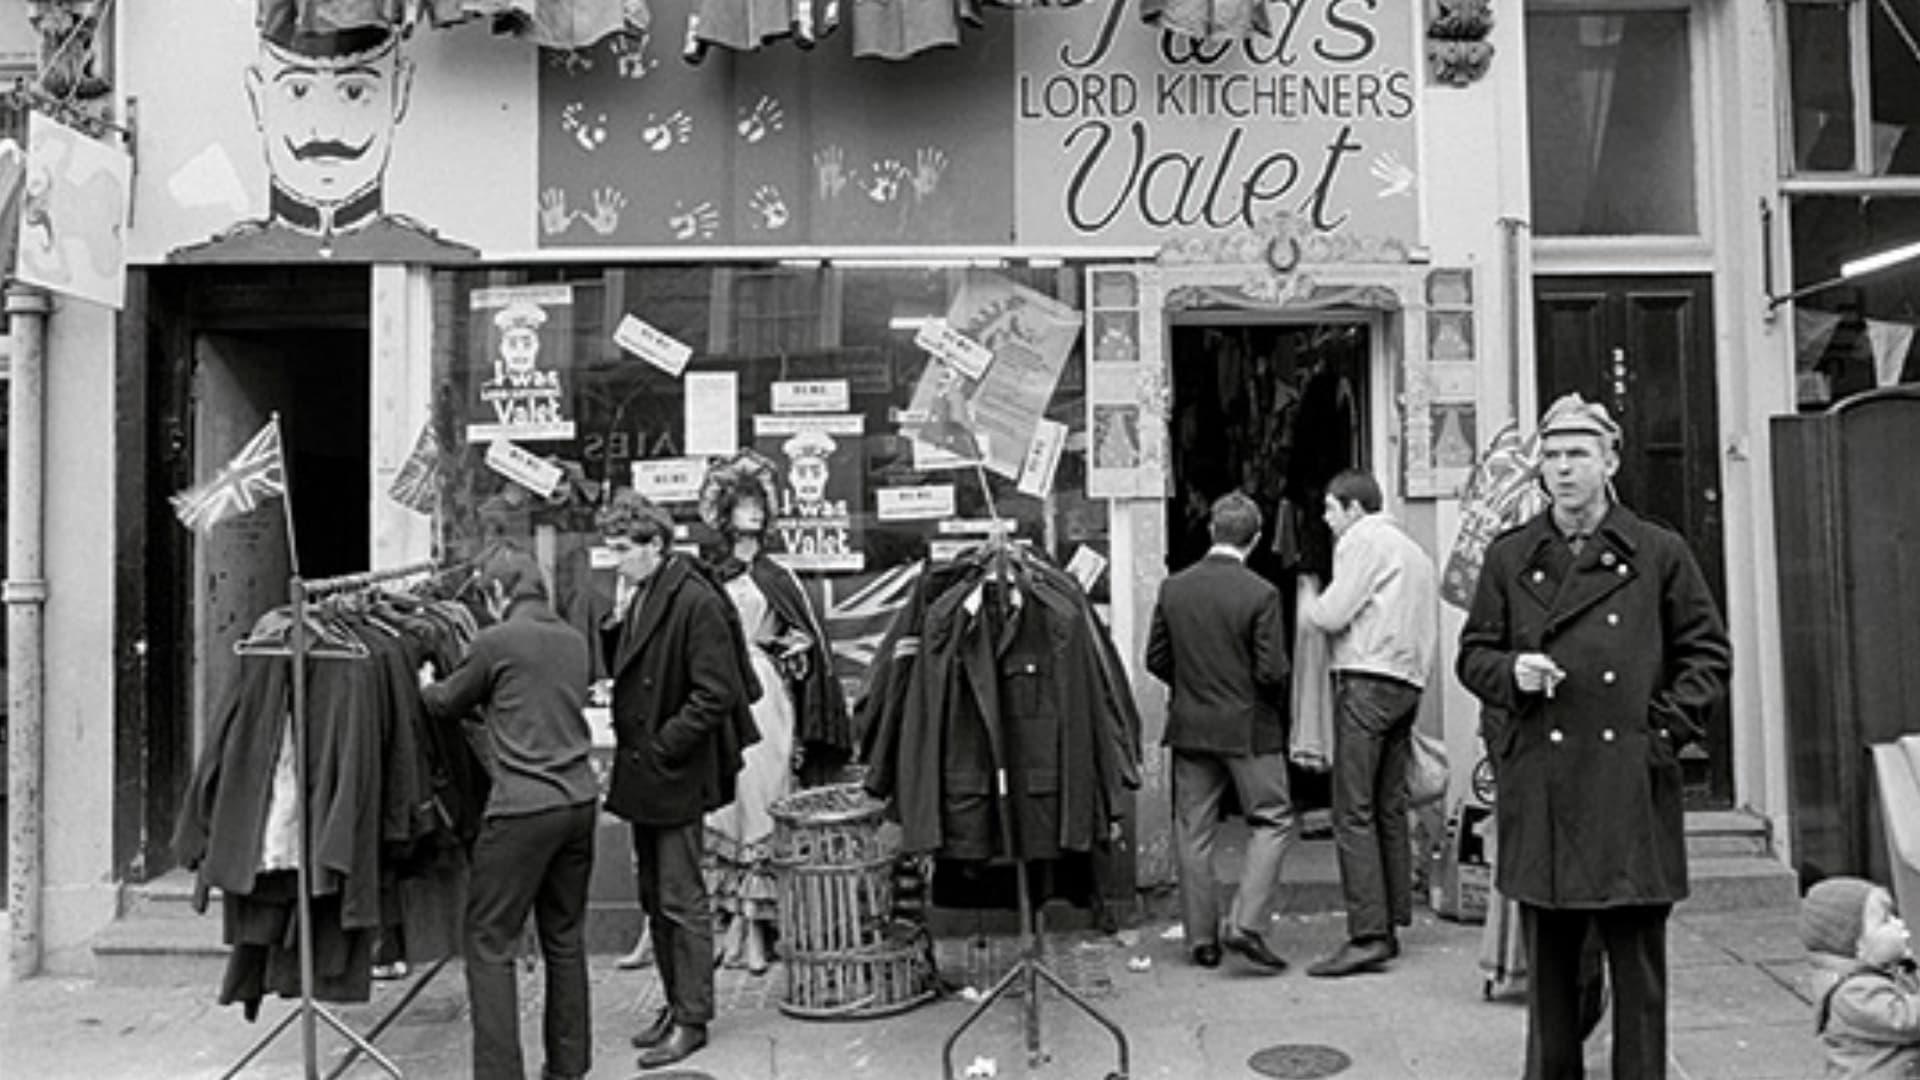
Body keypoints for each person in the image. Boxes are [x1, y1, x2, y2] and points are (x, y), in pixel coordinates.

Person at [1457, 392, 1731, 1079]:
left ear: (1610, 460)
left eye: (1578, 454)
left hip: (1628, 793)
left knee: (1637, 983)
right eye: (1550, 456)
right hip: (1544, 795)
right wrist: (1512, 670)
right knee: (1551, 990)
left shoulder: (1659, 551)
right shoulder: (1510, 555)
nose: (1562, 469)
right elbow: (1473, 654)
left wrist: (1658, 732)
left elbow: (1707, 655)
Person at [418, 548, 597, 1080]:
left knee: (490, 941)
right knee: (564, 937)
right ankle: (568, 1068)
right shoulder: (573, 640)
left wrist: (426, 680)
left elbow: (448, 701)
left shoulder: (495, 641)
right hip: (579, 801)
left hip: (522, 808)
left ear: (497, 594)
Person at [597, 490, 758, 1070]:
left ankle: (693, 1017)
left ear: (656, 545)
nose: (615, 559)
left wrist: (666, 747)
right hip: (649, 770)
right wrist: (614, 623)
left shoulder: (694, 600)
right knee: (653, 897)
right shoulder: (644, 593)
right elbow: (633, 665)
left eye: (623, 548)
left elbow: (716, 692)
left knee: (681, 897)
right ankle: (674, 1002)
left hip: (674, 771)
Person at [169, 7, 476, 263]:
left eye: (355, 92)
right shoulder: (204, 260)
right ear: (258, 95)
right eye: (298, 90)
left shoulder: (443, 259)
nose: (325, 129)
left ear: (400, 91)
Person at [696, 452, 846, 974]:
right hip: (718, 690)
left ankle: (758, 924)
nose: (754, 514)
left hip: (765, 692)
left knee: (763, 794)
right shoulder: (707, 575)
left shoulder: (778, 577)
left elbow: (800, 639)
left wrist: (794, 649)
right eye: (743, 505)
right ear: (723, 513)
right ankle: (730, 922)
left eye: (759, 505)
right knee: (724, 801)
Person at [1146, 491, 1294, 973]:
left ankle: (1201, 940)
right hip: (1249, 727)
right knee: (1271, 819)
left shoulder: (1175, 588)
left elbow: (1156, 658)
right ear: (1253, 540)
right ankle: (1247, 924)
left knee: (1194, 832)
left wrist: (1190, 687)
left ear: (1212, 531)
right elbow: (1272, 670)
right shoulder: (1261, 593)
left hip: (1190, 724)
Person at [1298, 467, 1438, 977]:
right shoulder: (1415, 551)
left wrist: (1308, 600)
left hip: (1366, 679)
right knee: (1388, 805)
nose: (1327, 519)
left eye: (1331, 509)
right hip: (1407, 682)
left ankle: (1367, 934)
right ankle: (1392, 918)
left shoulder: (1362, 541)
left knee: (1352, 810)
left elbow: (1333, 615)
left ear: (1354, 508)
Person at [1802, 875, 1920, 1078]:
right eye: (1885, 920)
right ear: (1857, 945)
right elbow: (1907, 1020)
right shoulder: (1853, 993)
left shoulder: (1883, 972)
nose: (1898, 923)